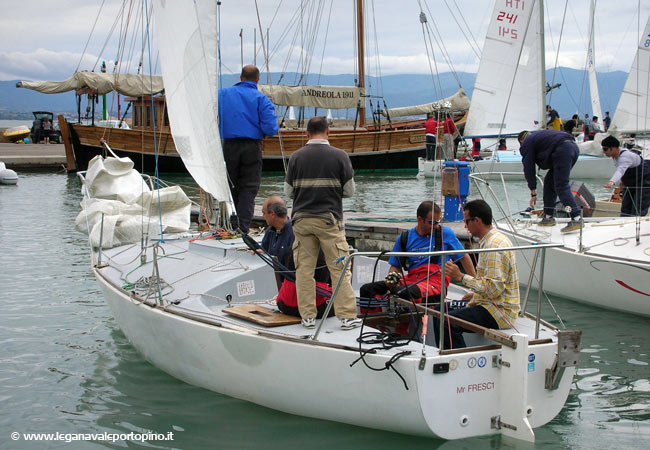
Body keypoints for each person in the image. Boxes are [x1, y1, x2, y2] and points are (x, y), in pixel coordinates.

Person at [284, 116, 361, 330]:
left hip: (301, 220)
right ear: (328, 131)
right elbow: (349, 191)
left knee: (304, 270)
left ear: (307, 133)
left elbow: (288, 192)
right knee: (339, 268)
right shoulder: (340, 156)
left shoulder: (296, 157)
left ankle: (307, 317)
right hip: (328, 220)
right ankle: (346, 317)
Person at [359, 201, 476, 320]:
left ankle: (404, 327)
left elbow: (464, 257)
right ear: (420, 220)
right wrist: (392, 279)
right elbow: (396, 266)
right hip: (412, 280)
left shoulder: (445, 234)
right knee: (367, 290)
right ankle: (374, 323)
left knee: (402, 293)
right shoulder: (404, 238)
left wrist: (475, 285)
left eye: (438, 222)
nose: (436, 226)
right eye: (432, 223)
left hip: (435, 284)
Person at [435, 199, 520, 349]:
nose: (465, 226)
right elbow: (495, 285)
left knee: (445, 320)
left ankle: (456, 362)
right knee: (438, 310)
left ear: (477, 220)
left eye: (466, 221)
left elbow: (493, 289)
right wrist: (476, 295)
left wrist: (460, 277)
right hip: (490, 304)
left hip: (499, 312)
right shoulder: (491, 241)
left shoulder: (493, 246)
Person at [218, 65, 278, 234]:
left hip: (229, 145)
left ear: (241, 77)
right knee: (248, 188)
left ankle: (227, 224)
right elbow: (271, 129)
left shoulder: (222, 95)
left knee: (230, 186)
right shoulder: (262, 99)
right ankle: (242, 228)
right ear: (257, 79)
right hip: (251, 147)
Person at [260, 196, 332, 318]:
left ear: (272, 214)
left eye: (263, 213)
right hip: (284, 288)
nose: (262, 216)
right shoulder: (270, 231)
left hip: (293, 291)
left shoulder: (297, 234)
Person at [518, 129, 583, 233]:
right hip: (573, 148)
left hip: (562, 150)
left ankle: (577, 218)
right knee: (549, 183)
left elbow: (528, 168)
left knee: (561, 185)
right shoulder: (537, 135)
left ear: (521, 141)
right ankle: (548, 217)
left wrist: (533, 193)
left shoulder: (527, 142)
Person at [601, 136, 650, 217]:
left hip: (644, 180)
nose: (603, 152)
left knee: (638, 210)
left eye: (605, 149)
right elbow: (624, 169)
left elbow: (620, 170)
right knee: (625, 209)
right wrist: (622, 181)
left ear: (613, 148)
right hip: (631, 182)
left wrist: (611, 182)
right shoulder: (616, 156)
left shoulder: (625, 156)